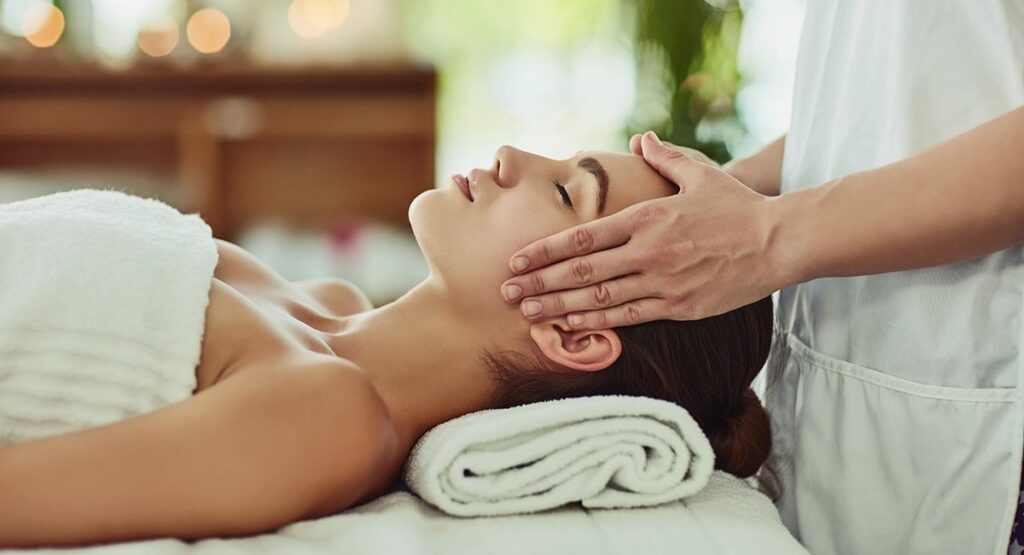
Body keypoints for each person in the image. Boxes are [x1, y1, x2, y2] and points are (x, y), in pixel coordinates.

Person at [0, 146, 776, 548]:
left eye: (568, 190)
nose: (511, 155)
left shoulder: (329, 416)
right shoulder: (321, 303)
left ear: (573, 332)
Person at [496, 2, 1024, 554]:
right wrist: (739, 187)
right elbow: (893, 95)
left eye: (565, 194)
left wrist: (769, 234)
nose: (506, 154)